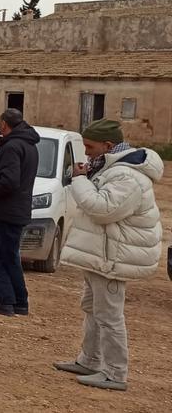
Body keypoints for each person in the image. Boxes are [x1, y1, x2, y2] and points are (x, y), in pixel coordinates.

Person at [54, 120, 163, 391]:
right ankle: (90, 360)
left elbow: (103, 209)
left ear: (108, 146)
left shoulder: (128, 176)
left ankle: (115, 373)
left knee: (109, 316)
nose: (86, 153)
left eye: (90, 147)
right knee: (93, 309)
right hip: (101, 253)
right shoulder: (112, 169)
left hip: (113, 256)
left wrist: (80, 180)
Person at [0, 109, 40, 316]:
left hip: (6, 210)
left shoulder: (12, 146)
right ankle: (19, 301)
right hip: (16, 209)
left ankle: (5, 300)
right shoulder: (29, 145)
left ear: (4, 124)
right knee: (10, 255)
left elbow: (10, 181)